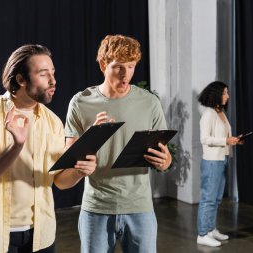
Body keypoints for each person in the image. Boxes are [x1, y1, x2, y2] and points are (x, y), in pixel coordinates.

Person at [0, 44, 96, 253]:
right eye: (43, 75)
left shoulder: (52, 122)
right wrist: (17, 146)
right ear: (21, 80)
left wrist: (79, 171)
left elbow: (60, 181)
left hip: (41, 235)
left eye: (53, 73)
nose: (53, 81)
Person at [64, 34, 172, 253]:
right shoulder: (80, 102)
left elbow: (166, 157)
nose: (126, 75)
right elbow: (69, 161)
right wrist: (92, 137)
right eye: (118, 67)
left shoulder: (149, 102)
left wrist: (165, 162)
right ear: (103, 65)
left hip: (140, 207)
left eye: (131, 67)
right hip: (96, 208)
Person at [196, 81, 241, 247]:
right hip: (211, 161)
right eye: (225, 93)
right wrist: (226, 140)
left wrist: (233, 141)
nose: (227, 96)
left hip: (222, 159)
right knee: (208, 198)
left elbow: (223, 136)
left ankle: (211, 228)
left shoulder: (220, 112)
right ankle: (202, 234)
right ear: (215, 94)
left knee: (216, 199)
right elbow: (204, 139)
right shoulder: (209, 114)